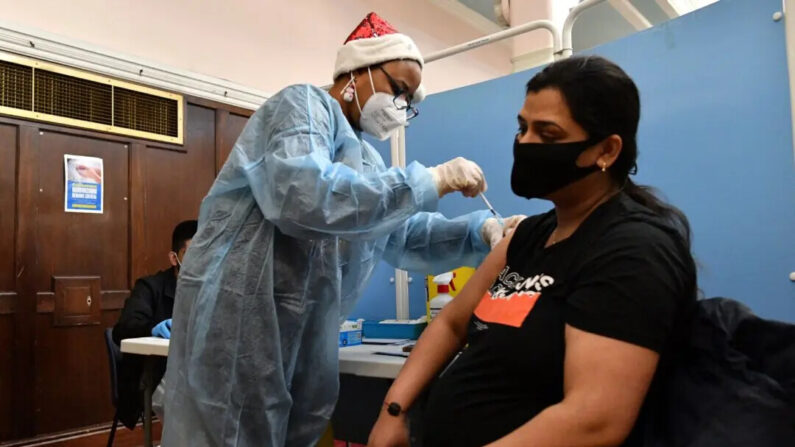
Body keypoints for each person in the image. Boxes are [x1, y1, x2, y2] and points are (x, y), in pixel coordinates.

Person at [162, 12, 525, 447]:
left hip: (303, 332)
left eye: (411, 104)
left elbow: (403, 234)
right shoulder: (300, 106)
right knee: (230, 430)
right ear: (359, 71)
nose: (402, 109)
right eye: (400, 91)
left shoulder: (367, 162)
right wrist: (432, 179)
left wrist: (482, 231)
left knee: (298, 426)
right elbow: (304, 196)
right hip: (241, 315)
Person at [368, 55, 698, 447]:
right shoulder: (529, 237)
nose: (525, 144)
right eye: (523, 128)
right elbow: (452, 323)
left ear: (606, 150)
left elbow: (594, 420)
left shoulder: (633, 250)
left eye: (549, 134)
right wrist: (395, 410)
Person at [111, 219, 197, 429]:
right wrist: (154, 328)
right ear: (174, 258)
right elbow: (123, 329)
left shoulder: (212, 290)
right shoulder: (150, 287)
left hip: (197, 372)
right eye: (193, 255)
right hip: (153, 376)